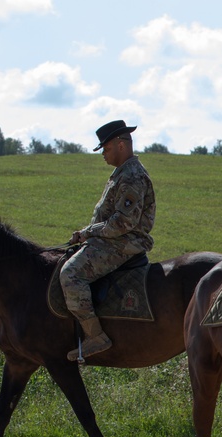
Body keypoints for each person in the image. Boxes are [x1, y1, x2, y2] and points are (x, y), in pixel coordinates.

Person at [60, 119, 156, 362]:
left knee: (70, 274)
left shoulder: (132, 176)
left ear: (121, 144)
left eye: (106, 147)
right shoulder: (121, 173)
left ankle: (96, 336)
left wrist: (88, 232)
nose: (103, 153)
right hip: (112, 240)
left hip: (123, 243)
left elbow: (123, 223)